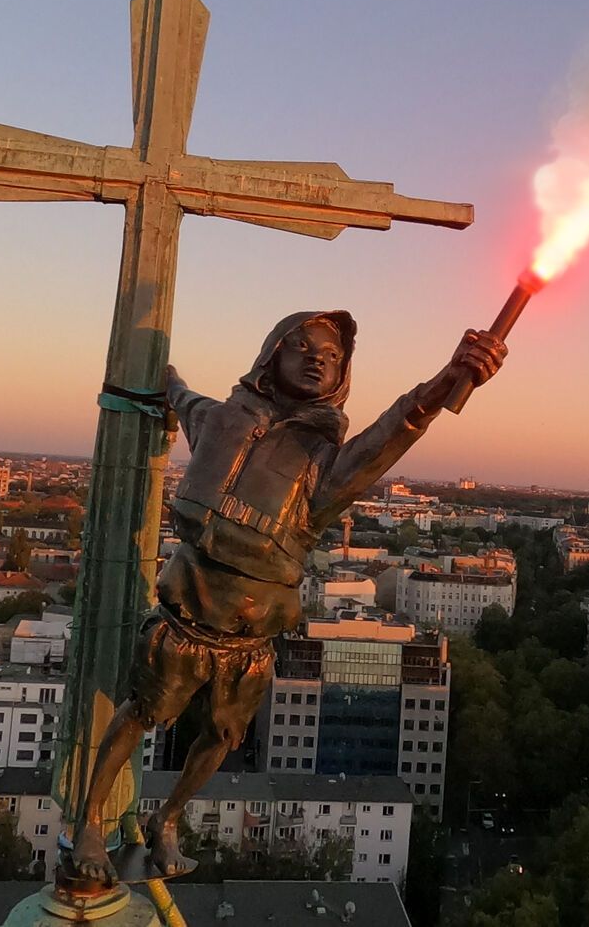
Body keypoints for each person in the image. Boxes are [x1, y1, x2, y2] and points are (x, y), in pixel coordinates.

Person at [72, 310, 506, 883]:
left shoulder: (323, 467)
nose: (316, 357)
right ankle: (90, 825)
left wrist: (453, 375)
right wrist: (164, 377)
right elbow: (184, 399)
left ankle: (167, 820)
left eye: (330, 355)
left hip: (251, 637)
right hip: (185, 617)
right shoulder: (224, 420)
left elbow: (397, 427)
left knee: (223, 734)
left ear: (340, 376)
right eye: (300, 346)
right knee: (141, 713)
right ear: (270, 355)